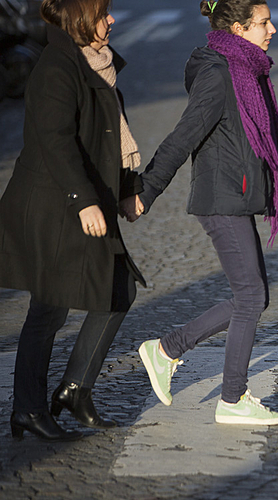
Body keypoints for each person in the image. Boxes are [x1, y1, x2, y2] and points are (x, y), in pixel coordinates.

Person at [126, 0, 278, 426]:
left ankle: (166, 351)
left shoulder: (249, 72)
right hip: (221, 200)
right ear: (238, 28)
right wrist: (147, 190)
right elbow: (181, 138)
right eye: (263, 22)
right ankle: (229, 397)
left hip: (237, 198)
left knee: (252, 297)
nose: (272, 28)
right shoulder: (219, 75)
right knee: (251, 297)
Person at [0, 0, 145, 441]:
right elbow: (54, 139)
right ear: (82, 20)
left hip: (86, 199)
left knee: (117, 289)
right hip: (55, 204)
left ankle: (74, 390)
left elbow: (105, 131)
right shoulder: (57, 66)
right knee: (48, 309)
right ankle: (27, 407)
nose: (111, 20)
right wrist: (84, 201)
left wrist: (127, 188)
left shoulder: (94, 62)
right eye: (103, 15)